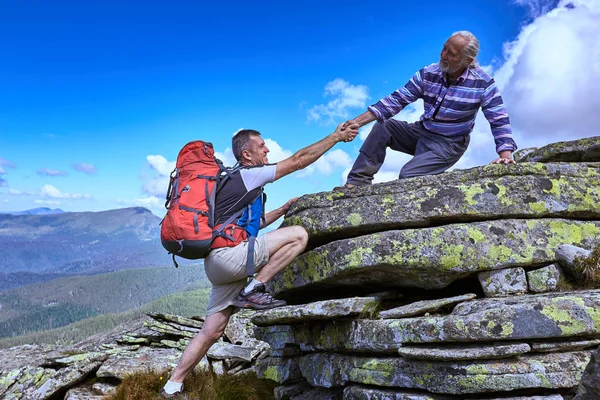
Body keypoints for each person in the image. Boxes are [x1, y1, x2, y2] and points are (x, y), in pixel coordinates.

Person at [160, 123, 359, 398]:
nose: (267, 148)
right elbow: (298, 161)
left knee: (212, 331)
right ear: (247, 155)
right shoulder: (250, 175)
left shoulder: (231, 183)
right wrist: (336, 137)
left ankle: (172, 385)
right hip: (231, 258)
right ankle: (255, 289)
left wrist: (283, 209)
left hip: (217, 263)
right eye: (261, 145)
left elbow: (253, 225)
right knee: (299, 236)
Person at [340, 31, 518, 189]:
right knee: (384, 126)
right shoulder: (428, 73)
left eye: (451, 53)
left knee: (408, 177)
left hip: (449, 144)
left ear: (467, 60)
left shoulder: (483, 83)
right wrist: (356, 122)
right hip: (421, 132)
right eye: (444, 48)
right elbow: (396, 100)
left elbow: (498, 119)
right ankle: (357, 183)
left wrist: (505, 154)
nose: (443, 55)